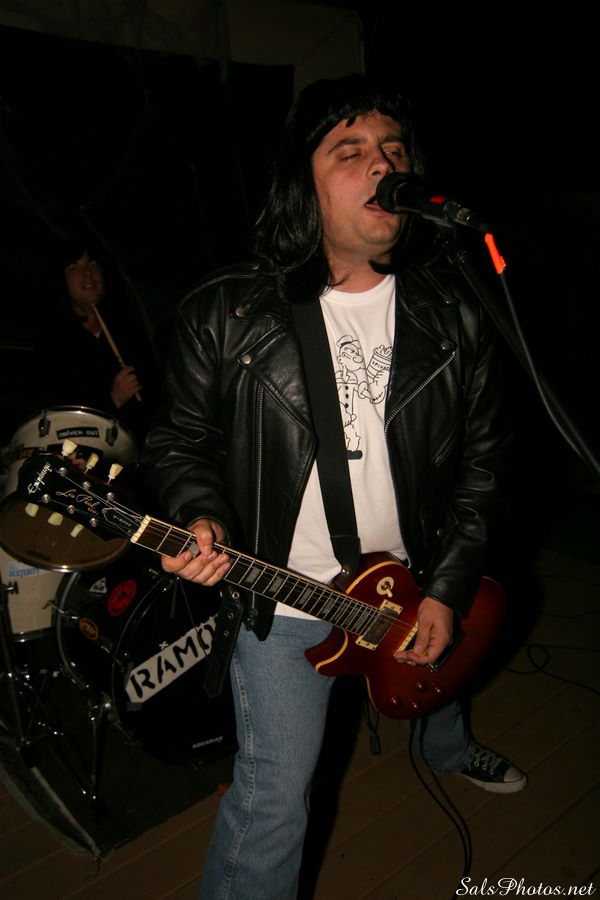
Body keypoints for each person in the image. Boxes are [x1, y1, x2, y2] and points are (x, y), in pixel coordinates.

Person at [141, 74, 526, 899]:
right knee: (275, 801)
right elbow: (180, 440)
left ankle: (448, 747)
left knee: (440, 672)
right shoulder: (227, 311)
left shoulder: (456, 313)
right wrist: (199, 512)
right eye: (349, 152)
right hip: (286, 606)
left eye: (393, 150)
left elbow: (482, 466)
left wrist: (449, 587)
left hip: (416, 580)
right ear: (302, 184)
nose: (382, 166)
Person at [33, 242, 158, 446]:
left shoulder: (127, 328)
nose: (88, 273)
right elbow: (61, 419)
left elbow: (155, 389)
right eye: (75, 268)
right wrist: (113, 399)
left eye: (92, 264)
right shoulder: (53, 343)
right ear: (62, 281)